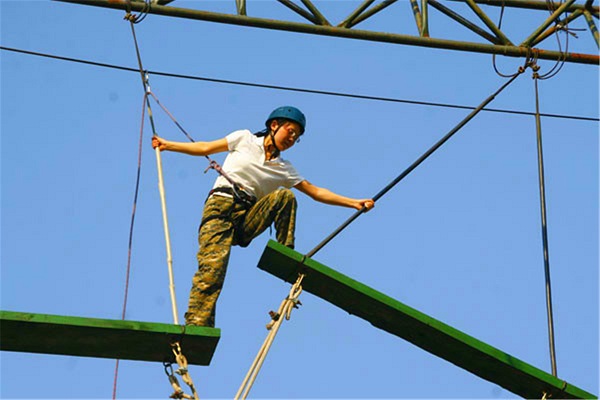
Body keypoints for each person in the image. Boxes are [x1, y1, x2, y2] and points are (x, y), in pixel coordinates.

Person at [152, 106, 375, 327]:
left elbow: (315, 192)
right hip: (221, 208)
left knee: (285, 196)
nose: (292, 138)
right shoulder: (244, 139)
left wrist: (353, 203)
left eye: (296, 136)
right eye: (290, 131)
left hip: (248, 216)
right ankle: (198, 324)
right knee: (213, 270)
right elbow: (205, 147)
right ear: (274, 125)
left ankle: (286, 252)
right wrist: (167, 145)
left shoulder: (284, 168)